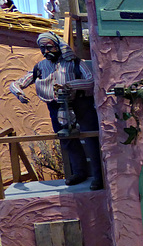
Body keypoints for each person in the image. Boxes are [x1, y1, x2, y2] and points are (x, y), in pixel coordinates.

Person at [9, 32, 103, 190]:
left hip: (80, 104)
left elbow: (91, 80)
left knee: (91, 137)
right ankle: (79, 172)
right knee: (66, 140)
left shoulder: (74, 63)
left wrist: (71, 86)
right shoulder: (40, 67)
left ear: (58, 46)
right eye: (42, 48)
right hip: (56, 107)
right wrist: (18, 92)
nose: (46, 51)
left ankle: (99, 176)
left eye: (49, 47)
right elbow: (18, 83)